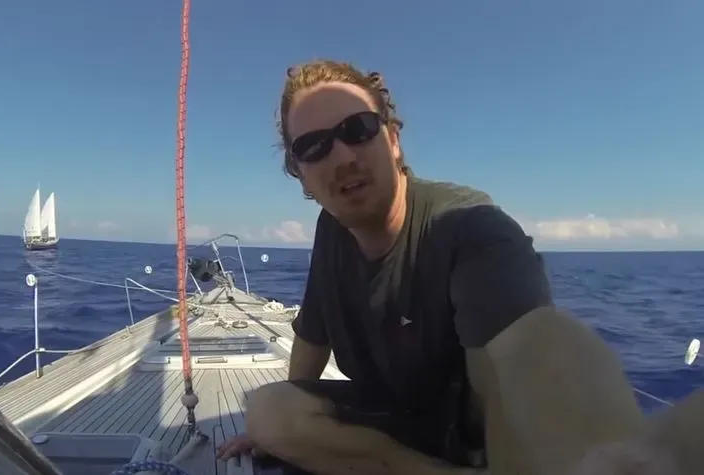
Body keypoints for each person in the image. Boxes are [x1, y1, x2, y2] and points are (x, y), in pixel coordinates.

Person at [217, 60, 703, 475]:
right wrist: (269, 436)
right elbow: (312, 336)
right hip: (397, 420)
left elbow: (527, 350)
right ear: (299, 172)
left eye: (358, 130)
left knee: (555, 344)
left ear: (392, 140)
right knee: (267, 409)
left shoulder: (469, 225)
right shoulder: (331, 229)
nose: (342, 156)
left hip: (480, 434)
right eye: (314, 146)